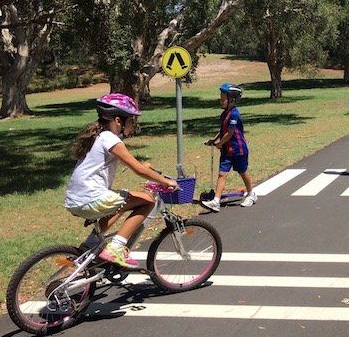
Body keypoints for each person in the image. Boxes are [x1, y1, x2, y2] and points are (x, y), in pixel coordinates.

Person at [64, 93, 179, 268]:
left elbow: (128, 163)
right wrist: (166, 181)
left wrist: (143, 166)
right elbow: (137, 169)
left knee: (120, 201)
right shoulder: (111, 139)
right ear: (118, 120)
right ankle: (116, 248)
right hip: (90, 198)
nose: (134, 124)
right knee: (148, 201)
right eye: (132, 120)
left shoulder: (98, 135)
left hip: (76, 199)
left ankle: (90, 245)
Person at [201, 83, 256, 212]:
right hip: (227, 150)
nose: (220, 101)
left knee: (242, 172)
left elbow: (230, 133)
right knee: (222, 174)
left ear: (232, 100)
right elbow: (223, 131)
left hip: (238, 150)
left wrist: (219, 144)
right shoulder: (224, 114)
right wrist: (214, 140)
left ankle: (251, 194)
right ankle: (216, 201)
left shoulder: (234, 114)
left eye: (222, 98)